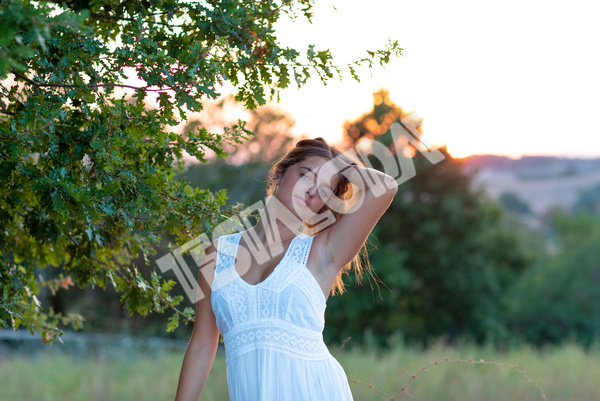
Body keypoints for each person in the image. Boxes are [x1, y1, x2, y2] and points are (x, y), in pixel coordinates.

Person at [174, 138, 398, 401]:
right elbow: (202, 346)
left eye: (325, 191)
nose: (313, 191)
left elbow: (385, 186)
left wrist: (339, 166)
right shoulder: (218, 254)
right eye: (306, 176)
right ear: (279, 173)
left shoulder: (321, 252)